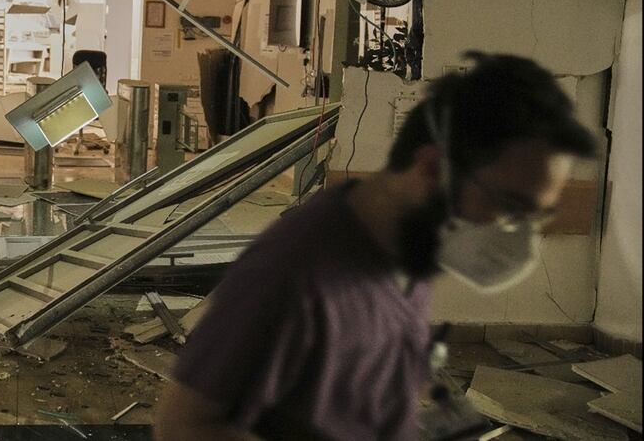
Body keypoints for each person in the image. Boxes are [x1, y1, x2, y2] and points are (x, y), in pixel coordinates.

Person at [153, 52, 597, 441]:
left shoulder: (407, 253)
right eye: (509, 205)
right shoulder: (295, 274)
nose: (518, 234)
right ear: (432, 169)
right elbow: (186, 426)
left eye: (534, 215)